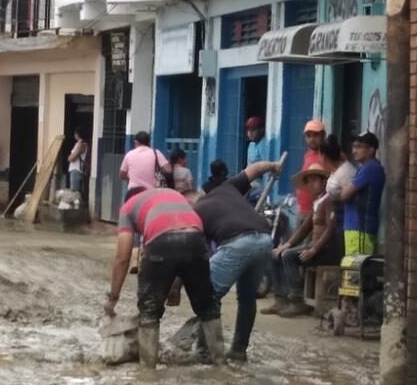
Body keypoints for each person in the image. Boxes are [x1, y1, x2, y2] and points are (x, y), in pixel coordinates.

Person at [103, 186, 224, 368]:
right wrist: (175, 286)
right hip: (196, 239)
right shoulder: (173, 194)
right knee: (207, 305)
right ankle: (221, 364)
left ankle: (148, 370)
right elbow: (182, 238)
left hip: (160, 241)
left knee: (149, 309)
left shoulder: (128, 207)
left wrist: (113, 297)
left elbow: (122, 257)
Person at [193, 158, 282, 361]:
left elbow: (199, 254)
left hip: (237, 242)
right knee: (247, 297)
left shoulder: (196, 211)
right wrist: (273, 166)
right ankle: (239, 351)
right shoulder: (230, 187)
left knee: (209, 297)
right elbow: (255, 168)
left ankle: (205, 352)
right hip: (265, 239)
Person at [267, 162, 340, 317]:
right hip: (312, 245)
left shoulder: (329, 201)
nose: (312, 184)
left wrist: (314, 249)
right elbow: (304, 228)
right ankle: (280, 299)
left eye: (315, 180)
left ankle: (297, 300)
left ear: (323, 181)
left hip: (325, 249)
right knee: (275, 254)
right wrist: (286, 244)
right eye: (310, 181)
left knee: (289, 256)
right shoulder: (317, 201)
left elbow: (330, 229)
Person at [339, 131, 385, 256]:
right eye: (353, 147)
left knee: (356, 270)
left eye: (359, 147)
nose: (354, 150)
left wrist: (344, 190)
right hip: (354, 228)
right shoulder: (364, 168)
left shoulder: (371, 168)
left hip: (360, 228)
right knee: (352, 269)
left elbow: (345, 194)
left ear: (371, 150)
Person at [323, 134, 356, 241]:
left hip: (346, 218)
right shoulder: (335, 171)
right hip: (337, 218)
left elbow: (350, 195)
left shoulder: (345, 172)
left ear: (324, 156)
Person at [295, 119, 328, 227]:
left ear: (323, 136)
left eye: (316, 135)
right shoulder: (308, 155)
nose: (312, 139)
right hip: (303, 209)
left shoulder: (328, 155)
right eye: (308, 136)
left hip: (317, 212)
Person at [67, 128, 88, 194]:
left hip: (76, 170)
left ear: (78, 134)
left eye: (75, 133)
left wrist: (69, 157)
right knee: (78, 192)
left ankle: (76, 204)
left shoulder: (80, 144)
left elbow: (72, 158)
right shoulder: (83, 144)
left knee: (74, 193)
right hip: (79, 169)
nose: (74, 135)